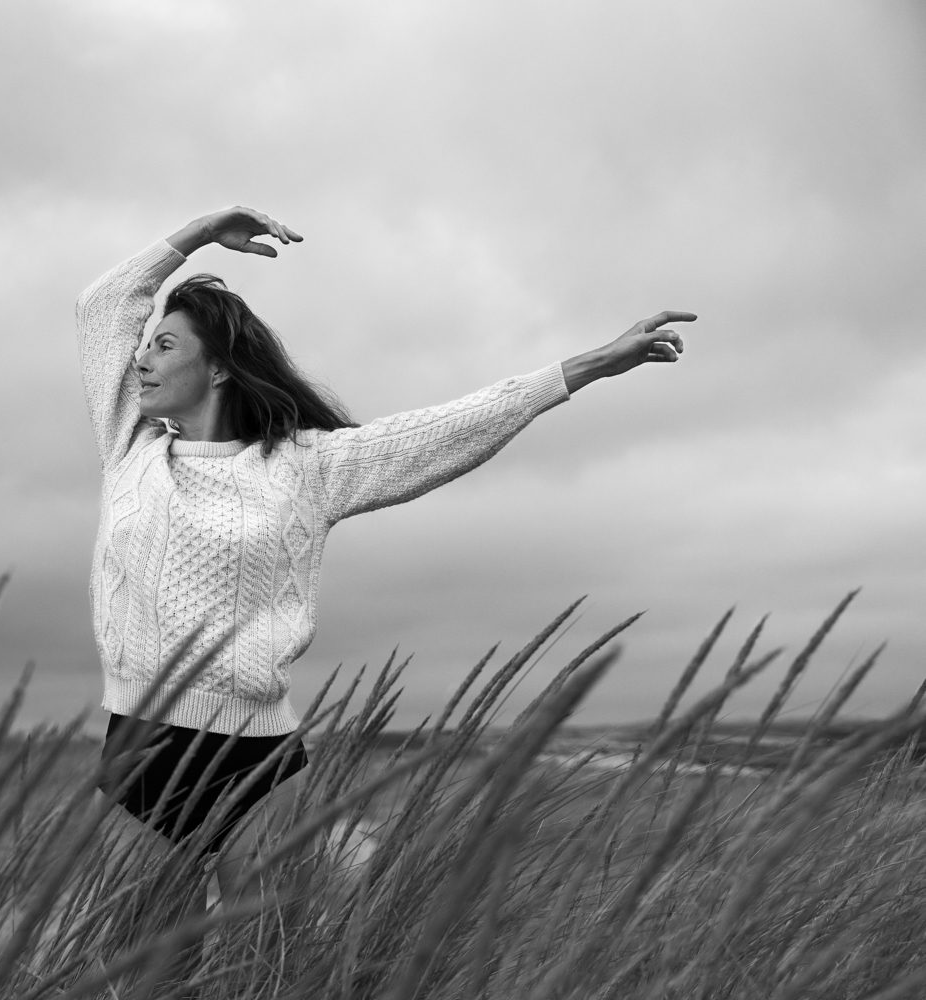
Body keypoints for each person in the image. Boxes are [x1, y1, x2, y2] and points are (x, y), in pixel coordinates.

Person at [72, 205, 694, 990]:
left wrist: (590, 366)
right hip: (144, 754)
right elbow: (101, 308)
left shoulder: (304, 466)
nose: (141, 361)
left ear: (220, 366)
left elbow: (448, 429)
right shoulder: (129, 445)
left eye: (163, 345)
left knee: (269, 975)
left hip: (259, 761)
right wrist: (195, 234)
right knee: (151, 980)